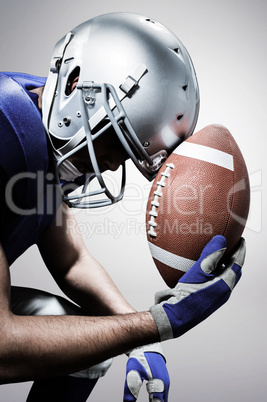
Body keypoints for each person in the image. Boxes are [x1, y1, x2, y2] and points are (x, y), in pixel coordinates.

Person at [0, 12, 246, 402]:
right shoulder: (6, 130)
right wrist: (157, 324)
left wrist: (139, 342)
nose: (114, 163)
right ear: (78, 84)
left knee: (84, 345)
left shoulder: (42, 123)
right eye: (115, 137)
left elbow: (71, 260)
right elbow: (2, 345)